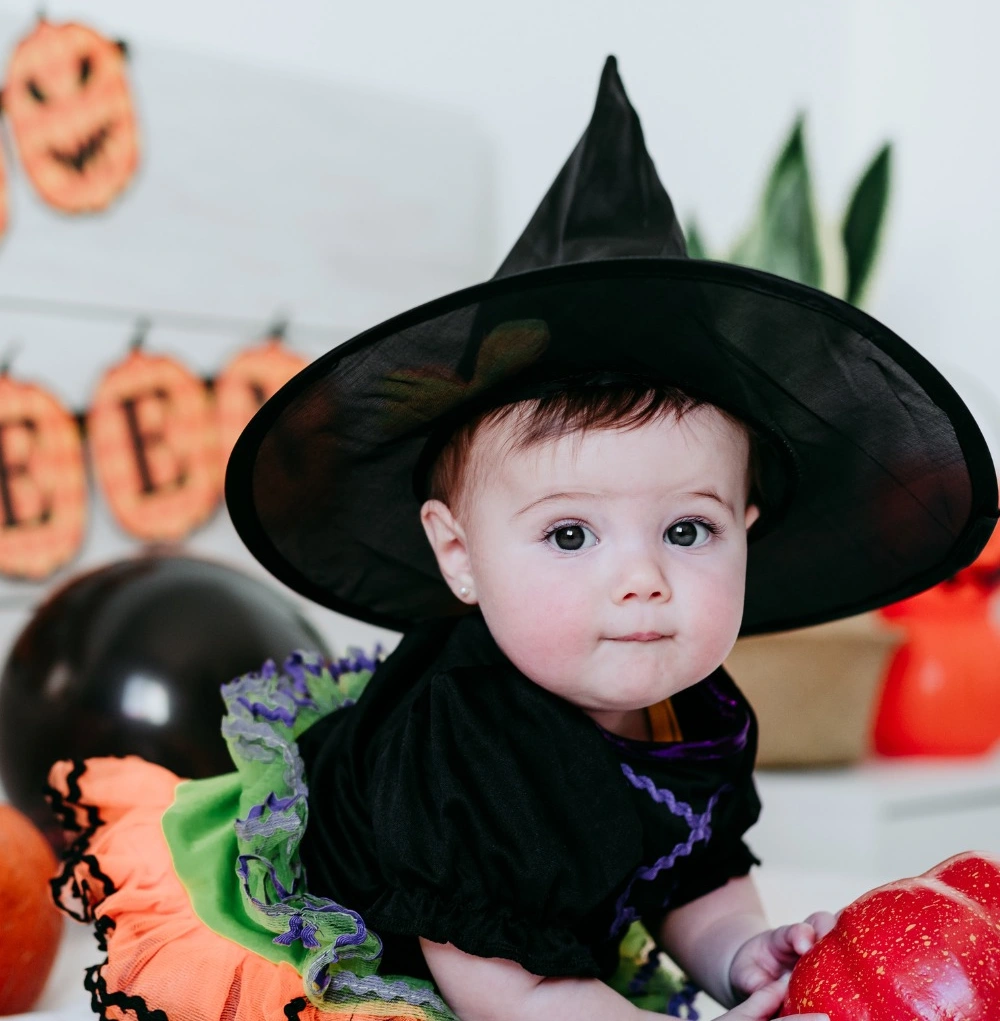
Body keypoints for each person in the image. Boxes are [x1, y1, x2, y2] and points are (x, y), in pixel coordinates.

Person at [46, 57, 997, 1021]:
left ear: (747, 530)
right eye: (573, 533)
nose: (642, 579)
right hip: (423, 957)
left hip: (539, 966)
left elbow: (687, 870)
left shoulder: (695, 708)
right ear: (459, 555)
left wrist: (741, 954)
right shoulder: (465, 746)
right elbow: (507, 990)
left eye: (687, 528)